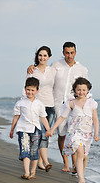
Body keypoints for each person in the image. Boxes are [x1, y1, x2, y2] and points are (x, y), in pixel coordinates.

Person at [27, 42, 88, 173]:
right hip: (57, 104)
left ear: (75, 53)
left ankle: (74, 164)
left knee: (74, 134)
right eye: (67, 53)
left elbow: (85, 88)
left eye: (72, 53)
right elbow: (44, 71)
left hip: (75, 106)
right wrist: (32, 67)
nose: (69, 55)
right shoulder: (56, 65)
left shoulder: (82, 69)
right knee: (62, 134)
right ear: (63, 52)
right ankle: (66, 163)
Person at [47, 77, 99, 183]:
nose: (81, 92)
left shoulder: (91, 103)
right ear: (75, 90)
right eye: (79, 89)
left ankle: (81, 173)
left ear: (88, 90)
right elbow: (62, 117)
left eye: (84, 90)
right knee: (79, 152)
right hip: (75, 133)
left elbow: (95, 119)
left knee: (84, 156)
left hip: (88, 134)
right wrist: (52, 129)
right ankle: (80, 178)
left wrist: (97, 134)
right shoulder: (71, 103)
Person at [10, 77, 51, 180]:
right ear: (25, 89)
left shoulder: (40, 104)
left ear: (37, 90)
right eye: (28, 89)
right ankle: (26, 172)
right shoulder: (20, 103)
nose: (30, 92)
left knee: (34, 151)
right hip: (22, 129)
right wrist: (12, 129)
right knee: (25, 150)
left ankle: (33, 172)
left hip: (36, 129)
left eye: (33, 90)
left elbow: (43, 118)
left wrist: (48, 129)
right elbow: (16, 117)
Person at [23, 46, 55, 172]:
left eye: (45, 55)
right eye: (40, 55)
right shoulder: (32, 71)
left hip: (51, 106)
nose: (42, 58)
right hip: (37, 106)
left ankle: (40, 162)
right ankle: (46, 162)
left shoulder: (53, 70)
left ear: (49, 57)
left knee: (46, 134)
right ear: (37, 56)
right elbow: (26, 87)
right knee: (41, 133)